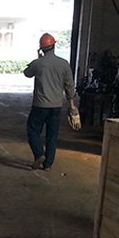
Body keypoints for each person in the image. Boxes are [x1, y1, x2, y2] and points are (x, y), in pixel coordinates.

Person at [23, 33, 78, 171]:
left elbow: (27, 73)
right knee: (52, 136)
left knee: (33, 130)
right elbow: (69, 86)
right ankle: (48, 164)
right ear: (54, 46)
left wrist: (38, 58)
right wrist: (72, 106)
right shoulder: (64, 64)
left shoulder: (38, 64)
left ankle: (39, 154)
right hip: (56, 106)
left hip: (40, 105)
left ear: (41, 48)